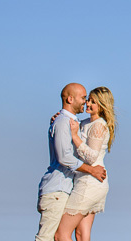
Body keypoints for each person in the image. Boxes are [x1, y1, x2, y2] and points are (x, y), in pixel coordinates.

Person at [35, 84, 107, 241]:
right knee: (48, 237)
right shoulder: (63, 122)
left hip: (69, 187)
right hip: (57, 188)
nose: (86, 102)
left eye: (89, 100)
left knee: (61, 235)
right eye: (84, 98)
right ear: (70, 99)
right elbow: (64, 157)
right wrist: (91, 170)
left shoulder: (74, 122)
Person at [54, 86, 116, 241]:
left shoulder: (99, 126)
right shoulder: (87, 122)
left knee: (61, 234)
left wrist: (75, 136)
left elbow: (91, 157)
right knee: (82, 235)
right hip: (87, 180)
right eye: (88, 99)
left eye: (93, 102)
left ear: (102, 105)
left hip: (90, 183)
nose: (88, 104)